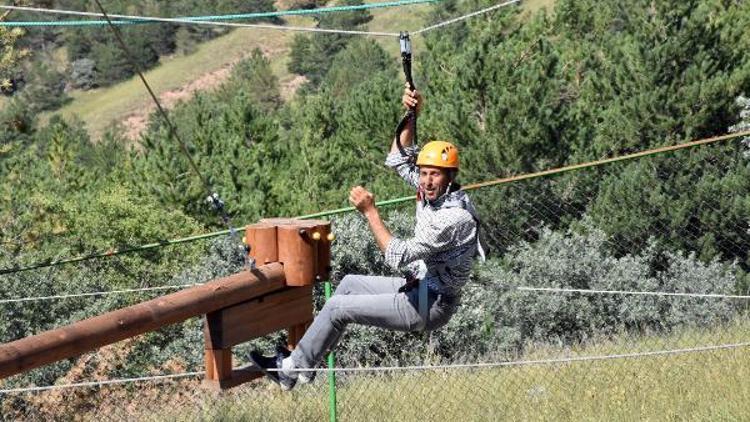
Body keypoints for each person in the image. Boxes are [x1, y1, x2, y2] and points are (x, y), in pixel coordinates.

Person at [250, 84, 484, 390]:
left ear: (449, 176)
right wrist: (412, 114)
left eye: (434, 174)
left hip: (430, 304)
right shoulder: (435, 191)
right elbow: (397, 159)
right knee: (347, 286)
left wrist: (370, 212)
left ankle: (290, 369)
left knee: (337, 309)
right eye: (424, 172)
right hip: (424, 288)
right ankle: (304, 368)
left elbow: (396, 256)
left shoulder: (452, 218)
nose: (426, 181)